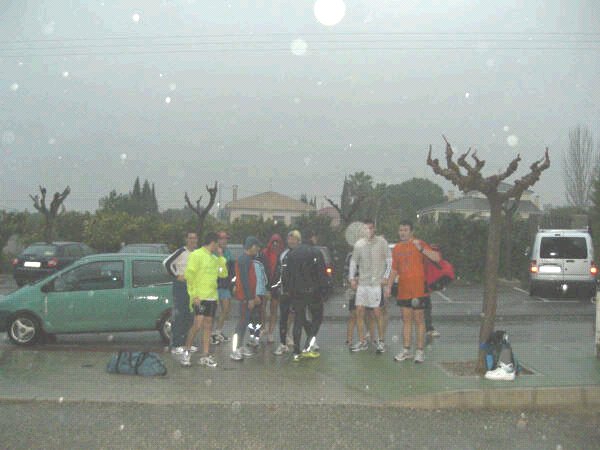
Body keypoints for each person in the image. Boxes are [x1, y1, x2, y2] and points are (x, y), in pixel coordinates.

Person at [385, 220, 440, 364]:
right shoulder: (396, 248)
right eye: (401, 230)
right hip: (404, 290)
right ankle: (406, 350)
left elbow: (437, 258)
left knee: (419, 320)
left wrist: (421, 249)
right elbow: (394, 269)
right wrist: (389, 286)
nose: (402, 232)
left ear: (411, 231)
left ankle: (420, 351)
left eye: (405, 230)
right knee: (406, 320)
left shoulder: (419, 243)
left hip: (419, 289)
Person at [180, 232, 228, 368]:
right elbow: (190, 276)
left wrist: (221, 257)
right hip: (200, 297)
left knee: (208, 325)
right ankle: (187, 351)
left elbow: (223, 273)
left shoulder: (214, 258)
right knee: (197, 324)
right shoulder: (196, 255)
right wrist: (194, 295)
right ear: (212, 243)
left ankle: (205, 355)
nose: (218, 246)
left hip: (212, 297)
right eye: (217, 244)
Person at [283, 231, 329, 361]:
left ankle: (296, 352)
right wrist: (324, 291)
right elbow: (321, 274)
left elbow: (286, 275)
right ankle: (308, 346)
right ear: (312, 238)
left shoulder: (292, 254)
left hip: (296, 292)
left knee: (298, 320)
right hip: (313, 292)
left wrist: (288, 290)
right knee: (317, 318)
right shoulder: (315, 253)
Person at [348, 219, 391, 354]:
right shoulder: (359, 245)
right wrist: (351, 279)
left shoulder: (382, 243)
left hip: (376, 285)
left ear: (374, 229)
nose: (369, 231)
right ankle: (362, 341)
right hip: (362, 284)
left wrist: (386, 277)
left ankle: (381, 341)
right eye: (366, 229)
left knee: (377, 313)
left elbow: (390, 261)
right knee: (359, 311)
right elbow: (353, 263)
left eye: (371, 228)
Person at [163, 232, 198, 357]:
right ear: (186, 239)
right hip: (181, 287)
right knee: (179, 315)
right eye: (190, 238)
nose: (192, 240)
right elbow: (166, 263)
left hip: (193, 288)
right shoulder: (181, 252)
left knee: (190, 316)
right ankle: (176, 345)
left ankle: (186, 344)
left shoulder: (197, 253)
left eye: (194, 238)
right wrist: (177, 276)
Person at [230, 236, 264, 361]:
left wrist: (254, 296)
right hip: (245, 297)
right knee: (242, 323)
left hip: (247, 296)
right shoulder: (245, 260)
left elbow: (249, 280)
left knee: (244, 322)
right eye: (257, 246)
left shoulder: (247, 259)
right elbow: (244, 281)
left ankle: (239, 346)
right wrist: (250, 298)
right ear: (252, 246)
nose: (258, 249)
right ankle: (235, 350)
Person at [272, 230, 301, 355]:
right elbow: (278, 273)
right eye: (289, 239)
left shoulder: (302, 254)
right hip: (285, 292)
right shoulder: (284, 254)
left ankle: (298, 345)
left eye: (294, 239)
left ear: (299, 241)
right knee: (283, 318)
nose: (291, 241)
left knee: (300, 318)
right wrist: (275, 288)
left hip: (299, 293)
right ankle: (283, 344)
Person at [212, 231, 235, 345]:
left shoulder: (228, 252)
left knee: (225, 309)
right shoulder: (214, 252)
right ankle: (211, 334)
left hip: (225, 286)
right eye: (221, 239)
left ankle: (218, 332)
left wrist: (232, 284)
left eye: (226, 239)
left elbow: (231, 270)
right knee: (212, 311)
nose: (224, 241)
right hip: (214, 286)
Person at [261, 234, 284, 343]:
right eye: (273, 242)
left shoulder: (282, 255)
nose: (275, 244)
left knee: (274, 309)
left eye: (277, 242)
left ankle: (270, 332)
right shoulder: (265, 253)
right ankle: (263, 327)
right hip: (265, 285)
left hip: (276, 286)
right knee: (262, 307)